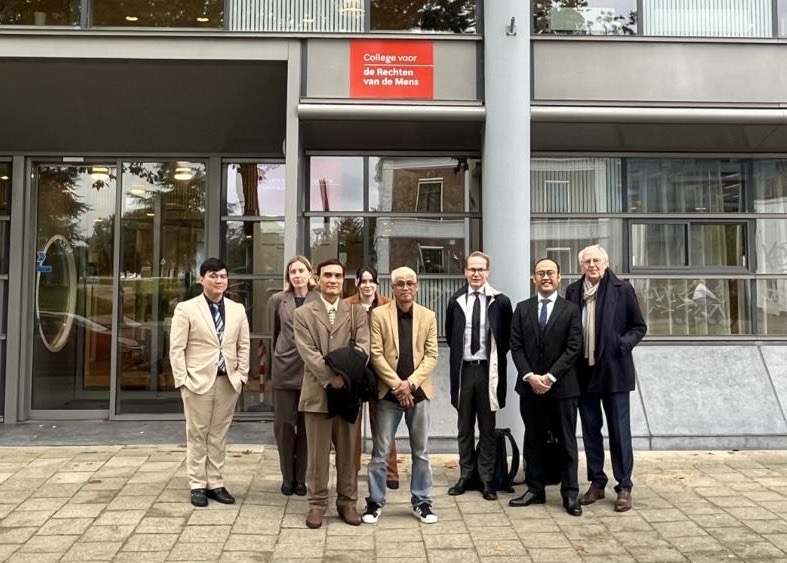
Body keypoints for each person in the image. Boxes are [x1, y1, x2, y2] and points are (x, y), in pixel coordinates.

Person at [565, 244, 647, 512]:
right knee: (590, 430)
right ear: (581, 265)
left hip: (614, 371)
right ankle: (597, 482)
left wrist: (621, 345)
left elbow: (639, 327)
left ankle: (624, 486)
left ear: (606, 263)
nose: (592, 265)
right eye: (587, 261)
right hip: (583, 372)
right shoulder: (573, 291)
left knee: (619, 431)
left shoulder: (622, 290)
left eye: (596, 260)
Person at [293, 258, 370, 529]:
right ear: (317, 278)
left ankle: (347, 502)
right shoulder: (303, 314)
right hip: (318, 392)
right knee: (317, 454)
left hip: (348, 393)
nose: (333, 280)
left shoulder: (357, 313)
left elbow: (363, 348)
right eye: (327, 275)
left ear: (343, 280)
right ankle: (317, 504)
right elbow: (308, 353)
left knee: (348, 453)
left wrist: (344, 376)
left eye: (338, 276)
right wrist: (330, 377)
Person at [169, 257, 250, 508]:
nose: (219, 280)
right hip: (197, 381)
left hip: (228, 382)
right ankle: (197, 484)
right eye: (213, 276)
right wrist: (182, 380)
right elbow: (177, 348)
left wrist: (242, 375)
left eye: (223, 276)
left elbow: (244, 345)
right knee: (197, 434)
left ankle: (215, 482)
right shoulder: (186, 309)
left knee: (218, 434)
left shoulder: (237, 310)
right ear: (201, 279)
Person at [363, 267, 439, 525]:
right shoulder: (378, 315)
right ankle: (375, 501)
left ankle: (422, 501)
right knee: (380, 452)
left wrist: (411, 384)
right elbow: (375, 353)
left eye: (409, 283)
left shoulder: (428, 316)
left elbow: (432, 355)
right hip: (388, 394)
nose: (405, 287)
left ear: (416, 287)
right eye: (400, 284)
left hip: (419, 394)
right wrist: (398, 385)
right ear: (392, 288)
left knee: (421, 452)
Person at [509, 258, 583, 516]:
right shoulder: (522, 308)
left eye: (550, 272)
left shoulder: (571, 310)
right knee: (533, 439)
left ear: (559, 277)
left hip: (563, 389)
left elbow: (573, 347)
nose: (546, 277)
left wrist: (550, 378)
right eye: (540, 273)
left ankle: (570, 493)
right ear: (534, 278)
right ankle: (535, 489)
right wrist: (530, 376)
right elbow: (516, 346)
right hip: (530, 388)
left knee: (566, 441)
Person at [445, 251, 512, 501]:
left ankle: (486, 479)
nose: (476, 274)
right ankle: (465, 475)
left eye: (480, 269)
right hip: (464, 371)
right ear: (465, 272)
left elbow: (506, 338)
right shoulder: (456, 301)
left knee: (487, 427)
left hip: (487, 371)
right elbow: (451, 335)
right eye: (471, 269)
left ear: (487, 272)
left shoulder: (500, 301)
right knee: (464, 427)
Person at [344, 265, 400, 490]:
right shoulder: (347, 305)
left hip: (380, 371)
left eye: (371, 281)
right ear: (356, 282)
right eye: (363, 281)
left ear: (377, 283)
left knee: (383, 424)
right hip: (355, 371)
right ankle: (351, 470)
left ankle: (390, 471)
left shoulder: (388, 305)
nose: (367, 285)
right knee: (352, 425)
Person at [268, 255, 318, 497]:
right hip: (284, 369)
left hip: (311, 371)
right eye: (293, 271)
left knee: (307, 427)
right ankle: (287, 476)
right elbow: (273, 333)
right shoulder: (278, 300)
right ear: (288, 276)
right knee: (284, 425)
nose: (297, 275)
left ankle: (301, 478)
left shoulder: (320, 299)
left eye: (301, 271)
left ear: (310, 274)